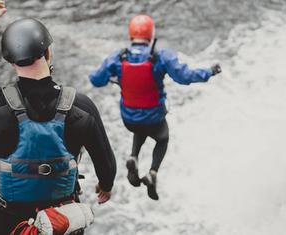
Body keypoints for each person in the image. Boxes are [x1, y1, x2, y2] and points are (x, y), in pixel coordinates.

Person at [0, 1, 116, 234]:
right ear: (48, 52)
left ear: (11, 62)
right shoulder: (81, 106)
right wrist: (105, 186)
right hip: (63, 221)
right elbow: (107, 165)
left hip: (13, 223)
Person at [89, 14, 222, 200]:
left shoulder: (118, 57)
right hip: (154, 118)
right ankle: (152, 172)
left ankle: (133, 157)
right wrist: (209, 71)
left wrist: (113, 76)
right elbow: (184, 77)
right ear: (151, 35)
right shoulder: (160, 57)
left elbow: (96, 80)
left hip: (129, 120)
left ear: (131, 35)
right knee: (162, 138)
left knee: (140, 125)